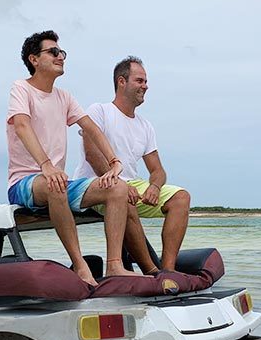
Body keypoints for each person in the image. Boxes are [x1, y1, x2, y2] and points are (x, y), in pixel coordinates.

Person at [7, 31, 141, 286]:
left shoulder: (64, 96)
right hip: (25, 182)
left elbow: (91, 128)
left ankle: (114, 265)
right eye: (53, 52)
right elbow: (22, 126)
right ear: (34, 59)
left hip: (57, 180)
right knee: (55, 183)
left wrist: (114, 162)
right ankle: (80, 266)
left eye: (62, 52)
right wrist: (46, 166)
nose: (61, 57)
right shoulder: (21, 88)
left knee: (118, 188)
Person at [75, 56, 191, 273]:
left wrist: (154, 187)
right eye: (140, 81)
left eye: (146, 81)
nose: (145, 86)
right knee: (121, 196)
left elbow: (157, 170)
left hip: (132, 184)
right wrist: (120, 184)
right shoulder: (99, 111)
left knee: (181, 198)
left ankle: (168, 271)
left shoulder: (145, 126)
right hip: (98, 184)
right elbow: (92, 154)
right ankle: (151, 271)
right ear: (121, 81)